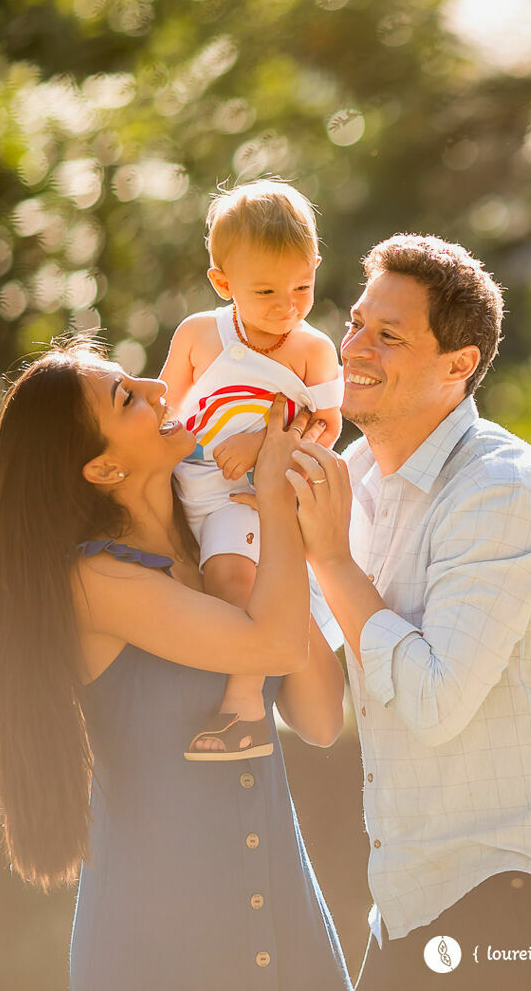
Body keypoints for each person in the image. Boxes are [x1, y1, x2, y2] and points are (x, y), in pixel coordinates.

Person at [290, 234, 531, 990]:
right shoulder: (351, 479)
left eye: (389, 336)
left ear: (458, 365)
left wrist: (332, 560)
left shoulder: (501, 491)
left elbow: (436, 702)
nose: (354, 348)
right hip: (414, 896)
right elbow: (312, 701)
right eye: (356, 324)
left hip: (523, 888)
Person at [0, 337, 353, 991]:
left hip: (289, 932)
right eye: (127, 398)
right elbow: (276, 647)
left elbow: (319, 719)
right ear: (104, 468)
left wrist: (270, 529)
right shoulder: (95, 581)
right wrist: (274, 502)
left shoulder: (220, 549)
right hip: (159, 949)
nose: (159, 388)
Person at [160, 178, 344, 761]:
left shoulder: (313, 349)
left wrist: (264, 441)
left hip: (252, 499)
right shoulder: (199, 335)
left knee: (233, 580)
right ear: (223, 283)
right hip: (189, 486)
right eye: (266, 291)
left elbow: (328, 424)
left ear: (315, 268)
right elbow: (165, 413)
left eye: (302, 286)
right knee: (203, 590)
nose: (287, 306)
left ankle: (244, 711)